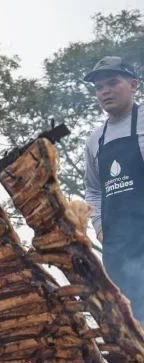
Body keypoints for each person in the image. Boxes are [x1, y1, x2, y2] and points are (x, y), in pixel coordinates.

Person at [83, 57, 144, 324]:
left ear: (133, 85)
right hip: (117, 251)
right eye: (98, 87)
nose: (104, 91)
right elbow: (93, 190)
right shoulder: (96, 139)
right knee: (124, 323)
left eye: (112, 82)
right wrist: (98, 227)